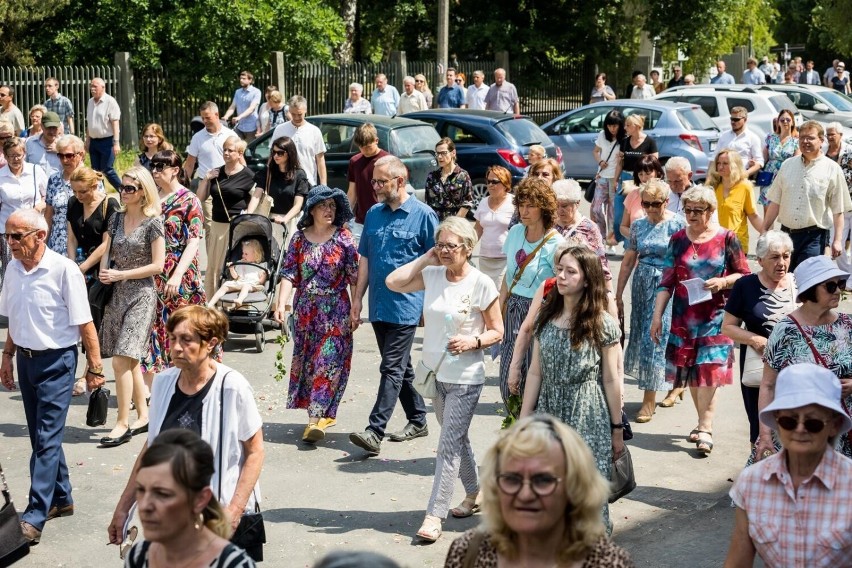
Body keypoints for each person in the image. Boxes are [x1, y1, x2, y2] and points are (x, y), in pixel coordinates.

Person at [108, 305, 264, 561]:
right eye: (172, 339)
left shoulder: (232, 387)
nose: (177, 347)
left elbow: (255, 451)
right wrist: (124, 506)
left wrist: (234, 512)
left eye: (186, 340)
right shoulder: (163, 383)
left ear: (210, 343)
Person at [386, 217, 503, 542]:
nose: (445, 250)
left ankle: (434, 515)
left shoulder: (481, 283)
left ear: (467, 247)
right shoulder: (433, 274)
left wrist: (473, 342)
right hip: (434, 375)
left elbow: (498, 330)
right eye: (441, 244)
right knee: (457, 438)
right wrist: (427, 257)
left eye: (451, 245)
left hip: (466, 378)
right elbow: (393, 282)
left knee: (448, 445)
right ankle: (475, 492)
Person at [0, 208, 105, 545]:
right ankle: (62, 497)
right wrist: (7, 356)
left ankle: (34, 517)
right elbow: (15, 318)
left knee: (45, 439)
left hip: (57, 362)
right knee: (40, 436)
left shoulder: (63, 270)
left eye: (17, 236)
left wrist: (95, 368)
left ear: (40, 235)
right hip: (26, 362)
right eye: (7, 235)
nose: (10, 242)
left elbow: (85, 322)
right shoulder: (13, 270)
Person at [520, 244, 625, 533]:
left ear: (587, 279)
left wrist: (617, 428)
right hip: (549, 410)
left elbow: (611, 379)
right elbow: (535, 372)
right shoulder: (545, 317)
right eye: (560, 270)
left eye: (570, 271)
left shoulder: (602, 322)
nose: (562, 277)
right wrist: (524, 418)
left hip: (587, 413)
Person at [444, 415, 634, 567]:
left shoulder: (607, 563)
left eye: (543, 481)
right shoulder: (467, 554)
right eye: (511, 479)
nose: (525, 495)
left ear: (574, 489)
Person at [348, 155, 439, 456]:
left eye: (381, 182)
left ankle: (375, 431)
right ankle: (418, 418)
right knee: (401, 368)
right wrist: (357, 299)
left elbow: (437, 263)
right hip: (379, 306)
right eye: (373, 180)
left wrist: (430, 306)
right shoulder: (373, 214)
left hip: (407, 306)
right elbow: (365, 260)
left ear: (400, 181)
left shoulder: (424, 216)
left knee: (391, 367)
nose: (374, 186)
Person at [651, 185, 750, 455]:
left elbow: (744, 274)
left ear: (711, 211)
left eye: (698, 210)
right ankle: (701, 421)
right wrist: (657, 316)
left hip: (717, 316)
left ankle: (705, 427)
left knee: (710, 372)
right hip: (684, 318)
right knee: (693, 373)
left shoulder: (727, 238)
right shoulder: (678, 239)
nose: (692, 215)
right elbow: (667, 281)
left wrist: (723, 281)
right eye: (688, 210)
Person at [724, 363, 852, 568]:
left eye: (813, 423)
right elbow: (738, 562)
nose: (800, 430)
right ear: (776, 421)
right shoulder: (752, 482)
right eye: (789, 421)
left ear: (833, 426)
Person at [273, 186, 359, 443]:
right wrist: (281, 303)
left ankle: (314, 420)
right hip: (306, 312)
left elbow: (354, 275)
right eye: (324, 205)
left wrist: (357, 305)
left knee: (327, 363)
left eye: (333, 206)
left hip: (336, 310)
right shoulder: (299, 239)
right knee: (310, 363)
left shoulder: (344, 238)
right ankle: (320, 412)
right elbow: (289, 273)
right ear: (312, 209)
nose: (329, 210)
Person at [756, 255, 852, 460]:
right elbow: (768, 386)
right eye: (830, 286)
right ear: (810, 291)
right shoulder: (785, 330)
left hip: (841, 432)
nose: (838, 290)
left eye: (840, 284)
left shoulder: (848, 325)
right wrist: (764, 435)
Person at [98, 167, 165, 447]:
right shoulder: (115, 218)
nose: (123, 192)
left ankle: (122, 423)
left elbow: (158, 265)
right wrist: (104, 272)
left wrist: (121, 274)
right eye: (122, 187)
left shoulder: (153, 223)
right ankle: (144, 415)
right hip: (116, 292)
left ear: (143, 192)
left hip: (141, 294)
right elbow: (107, 249)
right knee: (131, 359)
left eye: (130, 188)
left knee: (121, 358)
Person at [120, 429, 257, 567]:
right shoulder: (138, 556)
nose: (145, 506)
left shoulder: (234, 564)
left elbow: (256, 450)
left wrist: (235, 509)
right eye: (141, 490)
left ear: (200, 499)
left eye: (162, 494)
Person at [617, 180, 686, 421]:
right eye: (646, 204)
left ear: (666, 202)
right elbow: (628, 260)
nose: (651, 209)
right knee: (642, 335)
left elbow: (687, 261)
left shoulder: (678, 224)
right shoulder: (638, 226)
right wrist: (618, 296)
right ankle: (676, 384)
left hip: (667, 286)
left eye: (656, 204)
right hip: (642, 283)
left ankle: (650, 399)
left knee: (657, 338)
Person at [722, 231, 797, 449]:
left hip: (798, 368)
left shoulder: (800, 282)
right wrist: (755, 339)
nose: (782, 263)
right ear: (760, 259)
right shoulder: (745, 286)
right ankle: (761, 473)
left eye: (786, 256)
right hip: (760, 370)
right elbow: (727, 327)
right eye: (775, 257)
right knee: (761, 428)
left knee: (797, 426)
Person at [141, 150, 206, 388]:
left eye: (161, 167)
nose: (155, 171)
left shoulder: (189, 200)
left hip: (180, 274)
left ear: (175, 170)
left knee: (183, 328)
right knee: (152, 331)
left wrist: (178, 274)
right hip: (152, 273)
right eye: (153, 166)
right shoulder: (150, 198)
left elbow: (194, 240)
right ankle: (154, 390)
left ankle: (189, 382)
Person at [499, 178, 564, 406]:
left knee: (530, 377)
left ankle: (529, 429)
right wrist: (500, 309)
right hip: (513, 307)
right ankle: (516, 422)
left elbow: (561, 287)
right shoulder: (516, 232)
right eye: (521, 205)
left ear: (543, 208)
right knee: (507, 379)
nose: (523, 211)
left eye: (530, 205)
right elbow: (508, 275)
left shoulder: (556, 243)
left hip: (539, 311)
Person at [763, 121, 852, 270]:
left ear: (821, 140)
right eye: (802, 137)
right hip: (786, 235)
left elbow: (838, 210)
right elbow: (776, 202)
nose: (805, 141)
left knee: (807, 280)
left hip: (814, 237)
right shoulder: (787, 165)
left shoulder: (832, 169)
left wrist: (837, 241)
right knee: (786, 280)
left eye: (810, 138)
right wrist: (764, 230)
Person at [197, 136, 261, 295]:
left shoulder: (249, 175)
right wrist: (206, 179)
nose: (226, 153)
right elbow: (200, 198)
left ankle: (235, 302)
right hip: (218, 226)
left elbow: (256, 197)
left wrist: (249, 213)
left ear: (240, 153)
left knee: (234, 266)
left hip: (237, 227)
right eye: (224, 149)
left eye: (230, 150)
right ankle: (214, 301)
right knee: (215, 265)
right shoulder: (216, 173)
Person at [0, 137, 48, 280]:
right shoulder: (1, 176)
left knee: (34, 263)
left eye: (18, 155)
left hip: (32, 229)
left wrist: (40, 206)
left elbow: (48, 196)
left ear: (24, 154)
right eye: (11, 156)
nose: (15, 159)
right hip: (8, 231)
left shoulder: (36, 171)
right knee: (11, 267)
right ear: (5, 156)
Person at [553, 179, 613, 289]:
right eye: (556, 205)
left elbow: (601, 265)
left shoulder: (589, 228)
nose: (559, 210)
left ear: (577, 203)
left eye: (565, 206)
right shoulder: (550, 225)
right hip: (552, 288)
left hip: (579, 288)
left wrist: (611, 296)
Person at [254, 135, 310, 246]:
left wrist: (285, 219)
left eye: (280, 153)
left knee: (287, 257)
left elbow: (298, 205)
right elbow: (256, 196)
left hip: (290, 221)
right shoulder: (268, 172)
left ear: (289, 153)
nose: (275, 156)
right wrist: (249, 214)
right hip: (269, 221)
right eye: (273, 152)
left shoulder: (299, 174)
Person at [613, 114, 658, 245]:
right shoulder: (625, 142)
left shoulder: (650, 142)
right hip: (626, 179)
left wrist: (653, 182)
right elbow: (620, 163)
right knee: (618, 216)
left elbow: (654, 164)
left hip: (643, 180)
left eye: (628, 125)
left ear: (637, 126)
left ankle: (630, 246)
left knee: (636, 215)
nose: (625, 128)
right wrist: (616, 180)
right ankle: (618, 238)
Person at [708, 150, 763, 253]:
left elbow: (753, 215)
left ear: (735, 165)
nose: (720, 166)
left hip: (736, 244)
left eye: (725, 163)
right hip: (713, 242)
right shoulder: (712, 186)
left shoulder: (744, 186)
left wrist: (766, 233)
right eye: (718, 163)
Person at [473, 165, 514, 290]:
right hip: (485, 258)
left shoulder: (514, 203)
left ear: (505, 183)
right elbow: (477, 229)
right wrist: (468, 247)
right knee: (485, 293)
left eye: (495, 182)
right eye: (488, 181)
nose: (490, 185)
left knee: (500, 295)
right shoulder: (483, 202)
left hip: (505, 259)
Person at [271, 96, 327, 186]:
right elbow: (272, 155)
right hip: (284, 183)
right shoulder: (280, 130)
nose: (296, 117)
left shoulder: (314, 131)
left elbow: (320, 160)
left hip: (308, 183)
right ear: (289, 110)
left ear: (306, 110)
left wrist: (324, 184)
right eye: (293, 114)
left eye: (299, 114)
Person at [45, 135, 86, 255]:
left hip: (81, 245)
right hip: (57, 244)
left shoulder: (92, 178)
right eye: (61, 156)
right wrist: (44, 244)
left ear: (81, 155)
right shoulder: (54, 179)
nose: (65, 160)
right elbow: (48, 215)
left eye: (69, 155)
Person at [347, 123, 389, 238]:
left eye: (368, 147)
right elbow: (352, 193)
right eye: (361, 147)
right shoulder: (355, 161)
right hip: (360, 221)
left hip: (384, 220)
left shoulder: (388, 160)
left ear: (376, 140)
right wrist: (345, 216)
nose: (365, 151)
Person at [591, 110, 624, 248]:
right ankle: (602, 236)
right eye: (610, 125)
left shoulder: (624, 138)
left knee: (612, 211)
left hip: (615, 178)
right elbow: (595, 151)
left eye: (615, 126)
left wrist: (616, 179)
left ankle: (610, 242)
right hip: (602, 176)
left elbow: (622, 162)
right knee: (596, 209)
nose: (612, 128)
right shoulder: (602, 135)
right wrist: (599, 162)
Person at [825, 121, 852, 283]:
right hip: (835, 206)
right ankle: (845, 277)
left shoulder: (849, 152)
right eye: (827, 134)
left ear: (840, 135)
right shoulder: (822, 152)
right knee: (837, 242)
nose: (829, 137)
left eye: (832, 134)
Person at [757, 109, 799, 210]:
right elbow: (764, 158)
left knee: (784, 210)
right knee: (767, 210)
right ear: (778, 122)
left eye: (788, 120)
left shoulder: (796, 141)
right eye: (782, 120)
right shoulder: (771, 138)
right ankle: (768, 227)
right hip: (769, 175)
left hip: (786, 176)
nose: (785, 122)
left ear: (792, 122)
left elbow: (797, 161)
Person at [85, 78, 122, 190]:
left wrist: (116, 143)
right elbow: (89, 123)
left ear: (103, 87)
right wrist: (87, 140)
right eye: (91, 86)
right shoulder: (90, 102)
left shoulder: (110, 101)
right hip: (94, 141)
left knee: (107, 169)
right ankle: (100, 194)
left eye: (95, 86)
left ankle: (123, 190)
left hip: (107, 141)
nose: (92, 89)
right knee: (95, 171)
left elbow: (115, 123)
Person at [424, 137, 474, 221]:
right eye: (437, 153)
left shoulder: (462, 175)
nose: (439, 157)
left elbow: (467, 202)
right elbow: (428, 203)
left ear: (453, 153)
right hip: (435, 224)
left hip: (455, 225)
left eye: (443, 153)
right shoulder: (432, 176)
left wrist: (452, 224)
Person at [208, 239, 266, 309]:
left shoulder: (260, 266)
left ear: (256, 255)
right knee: (225, 286)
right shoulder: (240, 263)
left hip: (252, 285)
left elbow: (261, 282)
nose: (243, 255)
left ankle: (239, 300)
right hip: (239, 282)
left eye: (246, 254)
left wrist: (263, 277)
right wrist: (232, 269)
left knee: (246, 286)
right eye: (243, 253)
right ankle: (211, 303)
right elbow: (236, 277)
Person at [618, 155, 665, 239]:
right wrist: (635, 236)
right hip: (635, 247)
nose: (644, 178)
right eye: (640, 174)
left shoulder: (666, 194)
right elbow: (623, 227)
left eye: (648, 173)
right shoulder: (632, 195)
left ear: (657, 172)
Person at [715, 107, 764, 179]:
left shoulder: (753, 137)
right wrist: (710, 177)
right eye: (731, 119)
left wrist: (745, 174)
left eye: (736, 119)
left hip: (743, 177)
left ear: (745, 120)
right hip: (724, 177)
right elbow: (714, 158)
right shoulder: (724, 136)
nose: (733, 122)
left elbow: (759, 162)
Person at [222, 71, 262, 142]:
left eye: (244, 78)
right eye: (240, 78)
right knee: (236, 147)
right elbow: (233, 106)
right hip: (239, 126)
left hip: (251, 127)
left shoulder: (256, 92)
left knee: (249, 149)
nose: (241, 80)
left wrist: (239, 117)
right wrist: (226, 116)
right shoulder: (238, 92)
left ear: (250, 80)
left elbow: (251, 108)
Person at [24, 110, 61, 178]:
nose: (52, 131)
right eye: (49, 128)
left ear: (59, 127)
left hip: (59, 186)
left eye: (54, 128)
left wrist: (61, 151)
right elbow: (23, 165)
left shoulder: (65, 144)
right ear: (42, 126)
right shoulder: (30, 143)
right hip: (35, 185)